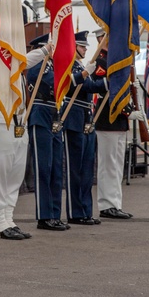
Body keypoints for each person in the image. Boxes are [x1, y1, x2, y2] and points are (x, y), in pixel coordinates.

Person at [0, 39, 33, 242]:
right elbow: (24, 61)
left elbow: (24, 61)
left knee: (15, 172)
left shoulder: (15, 64)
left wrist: (46, 49)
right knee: (1, 172)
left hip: (19, 120)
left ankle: (9, 219)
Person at [25, 34, 68, 231]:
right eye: (50, 47)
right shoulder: (36, 64)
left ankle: (55, 213)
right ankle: (44, 216)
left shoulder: (52, 65)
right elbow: (47, 80)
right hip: (40, 113)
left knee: (56, 168)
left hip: (54, 115)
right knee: (44, 167)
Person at [94, 32, 136, 221]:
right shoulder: (101, 62)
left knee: (117, 165)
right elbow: (105, 89)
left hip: (119, 121)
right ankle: (107, 204)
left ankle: (115, 203)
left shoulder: (119, 63)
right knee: (108, 165)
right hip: (107, 120)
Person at [63, 31, 101, 225]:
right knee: (75, 169)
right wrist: (86, 73)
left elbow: (93, 86)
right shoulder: (69, 65)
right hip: (73, 117)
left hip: (86, 118)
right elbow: (71, 85)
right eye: (82, 46)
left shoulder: (81, 66)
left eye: (86, 46)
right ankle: (75, 212)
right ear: (74, 47)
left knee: (87, 170)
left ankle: (86, 210)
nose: (86, 49)